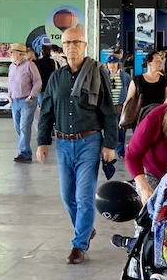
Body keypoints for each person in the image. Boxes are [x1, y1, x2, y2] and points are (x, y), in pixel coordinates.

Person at [36, 26, 118, 264]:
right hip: (62, 143)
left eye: (76, 42)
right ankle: (84, 228)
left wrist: (110, 144)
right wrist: (42, 141)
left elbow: (108, 112)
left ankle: (79, 244)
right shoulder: (56, 78)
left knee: (83, 197)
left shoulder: (97, 73)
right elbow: (46, 112)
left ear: (84, 45)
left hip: (89, 142)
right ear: (62, 47)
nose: (71, 46)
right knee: (66, 196)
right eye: (67, 43)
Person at [8, 43, 42, 163]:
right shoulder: (11, 66)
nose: (10, 54)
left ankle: (25, 153)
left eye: (12, 52)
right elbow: (10, 82)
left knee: (24, 127)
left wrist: (32, 95)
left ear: (19, 53)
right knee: (18, 127)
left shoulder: (29, 65)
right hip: (14, 101)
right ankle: (24, 150)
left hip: (27, 101)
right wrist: (9, 94)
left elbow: (38, 82)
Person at [123, 51, 167, 121]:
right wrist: (123, 118)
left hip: (158, 118)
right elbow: (128, 100)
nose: (160, 62)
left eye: (161, 60)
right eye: (157, 61)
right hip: (140, 119)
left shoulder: (164, 81)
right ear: (149, 63)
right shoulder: (137, 80)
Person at [104, 55, 131, 158]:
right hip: (108, 107)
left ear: (118, 64)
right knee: (109, 129)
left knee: (121, 130)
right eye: (110, 63)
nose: (112, 65)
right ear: (107, 64)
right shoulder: (104, 75)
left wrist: (126, 103)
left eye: (114, 63)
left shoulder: (125, 76)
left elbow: (130, 90)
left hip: (120, 107)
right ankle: (108, 149)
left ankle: (120, 151)